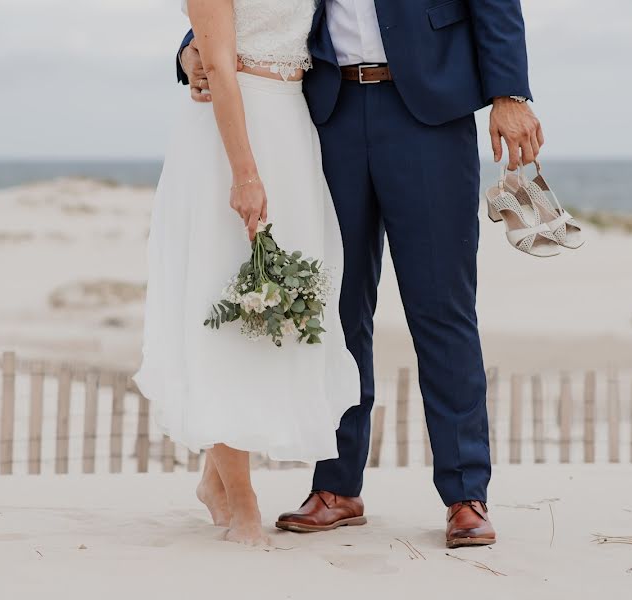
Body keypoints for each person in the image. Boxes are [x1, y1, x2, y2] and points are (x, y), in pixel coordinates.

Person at [176, 0, 544, 548]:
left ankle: (466, 495)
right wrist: (188, 50)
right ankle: (336, 488)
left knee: (441, 307)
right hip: (328, 114)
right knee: (336, 310)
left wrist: (510, 92)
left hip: (430, 114)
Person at [133, 0, 361, 546]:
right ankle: (242, 502)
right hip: (229, 135)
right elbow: (216, 59)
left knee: (272, 307)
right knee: (224, 305)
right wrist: (245, 174)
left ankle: (214, 482)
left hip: (292, 124)